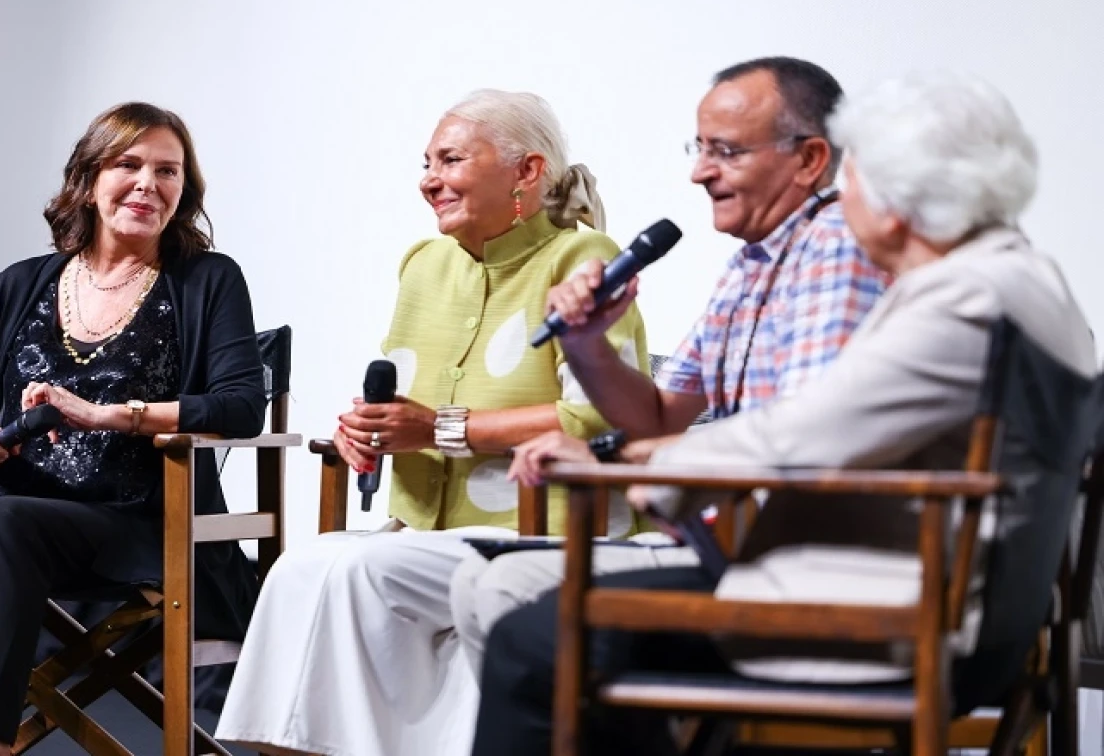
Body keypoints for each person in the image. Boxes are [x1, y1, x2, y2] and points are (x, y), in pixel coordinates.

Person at [472, 72, 1097, 756]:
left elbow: (803, 435)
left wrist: (624, 463)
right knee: (548, 630)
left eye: (852, 181)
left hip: (887, 612)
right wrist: (599, 366)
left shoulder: (964, 299)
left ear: (892, 201)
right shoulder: (1018, 282)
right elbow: (697, 416)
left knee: (531, 641)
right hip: (936, 602)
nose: (842, 201)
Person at [214, 89, 647, 756]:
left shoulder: (582, 258)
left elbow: (594, 418)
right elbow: (407, 406)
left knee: (357, 573)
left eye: (450, 159)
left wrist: (439, 429)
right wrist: (372, 429)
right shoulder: (423, 265)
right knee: (299, 570)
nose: (429, 180)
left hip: (541, 523)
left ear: (527, 172)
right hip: (421, 523)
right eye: (426, 162)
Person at [450, 56, 889, 676]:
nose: (699, 173)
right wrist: (585, 344)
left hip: (798, 566)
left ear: (810, 160)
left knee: (509, 588)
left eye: (727, 152)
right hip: (732, 545)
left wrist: (608, 458)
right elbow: (658, 418)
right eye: (699, 148)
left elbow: (797, 441)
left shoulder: (836, 248)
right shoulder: (752, 265)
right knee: (487, 579)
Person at [0, 102, 265, 756]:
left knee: (1, 521)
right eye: (128, 164)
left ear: (183, 193)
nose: (148, 183)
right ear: (87, 180)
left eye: (168, 172)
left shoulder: (205, 281)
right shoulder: (22, 285)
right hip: (23, 522)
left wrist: (111, 415)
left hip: (141, 524)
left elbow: (241, 406)